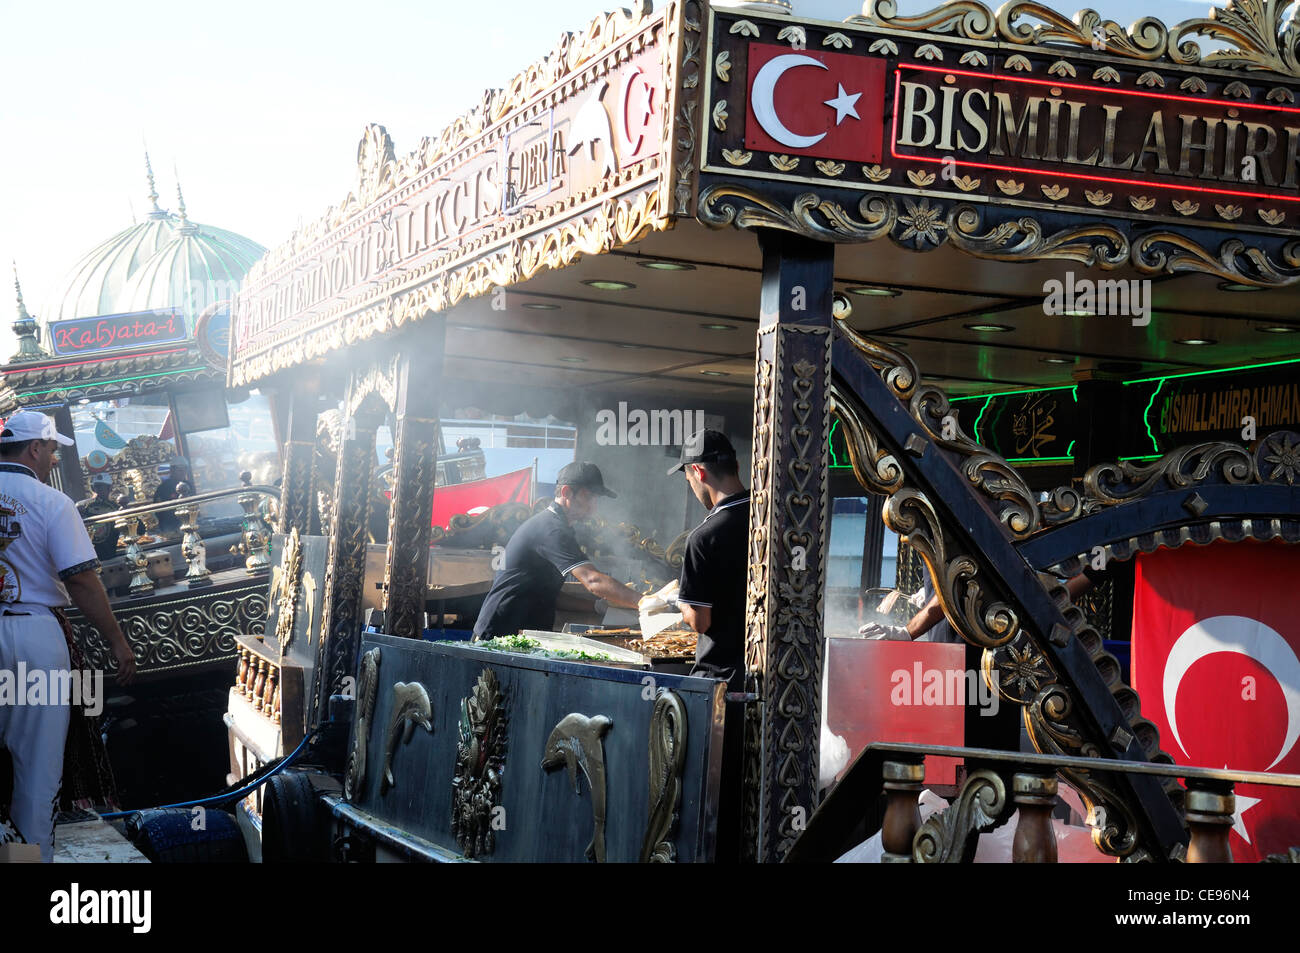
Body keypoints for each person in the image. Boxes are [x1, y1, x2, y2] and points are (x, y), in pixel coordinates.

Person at [0, 411, 135, 862]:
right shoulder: (50, 502)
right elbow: (80, 582)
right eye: (53, 449)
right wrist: (117, 640)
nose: (55, 458)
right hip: (33, 637)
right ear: (34, 449)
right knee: (35, 771)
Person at [667, 429, 751, 863]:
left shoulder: (705, 535)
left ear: (698, 471)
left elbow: (700, 619)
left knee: (707, 801)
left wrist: (675, 602)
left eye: (687, 476)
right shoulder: (772, 519)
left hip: (720, 684)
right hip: (771, 679)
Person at [472, 462, 641, 640]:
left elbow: (548, 595)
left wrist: (597, 607)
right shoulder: (550, 529)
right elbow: (593, 580)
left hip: (524, 634)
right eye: (589, 496)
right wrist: (644, 602)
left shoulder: (560, 528)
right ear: (566, 492)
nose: (594, 506)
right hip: (497, 633)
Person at [76, 473, 120, 561]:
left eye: (102, 487)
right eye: (98, 487)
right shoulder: (82, 506)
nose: (100, 490)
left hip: (106, 554)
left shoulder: (116, 507)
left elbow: (140, 530)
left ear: (109, 488)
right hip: (92, 556)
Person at [152, 456, 192, 534]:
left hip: (190, 522)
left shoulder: (189, 485)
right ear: (172, 470)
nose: (182, 473)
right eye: (179, 470)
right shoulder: (163, 488)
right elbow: (159, 511)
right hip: (170, 526)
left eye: (184, 470)